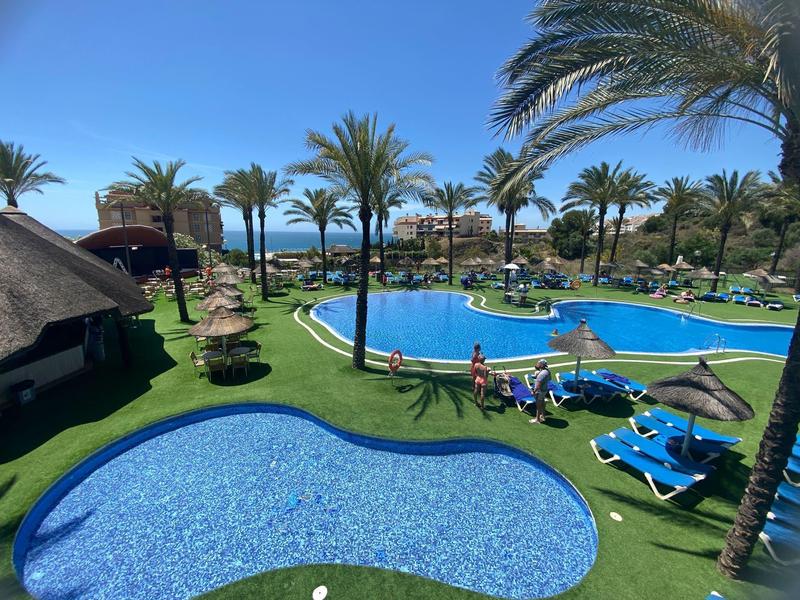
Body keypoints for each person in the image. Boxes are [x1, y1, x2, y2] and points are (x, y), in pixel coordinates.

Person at [529, 359, 551, 424]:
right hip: (544, 390)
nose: (537, 364)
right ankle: (543, 416)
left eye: (538, 363)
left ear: (542, 365)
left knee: (538, 405)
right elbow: (549, 379)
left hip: (540, 391)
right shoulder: (547, 371)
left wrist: (533, 392)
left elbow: (538, 386)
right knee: (542, 403)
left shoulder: (542, 374)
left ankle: (537, 419)